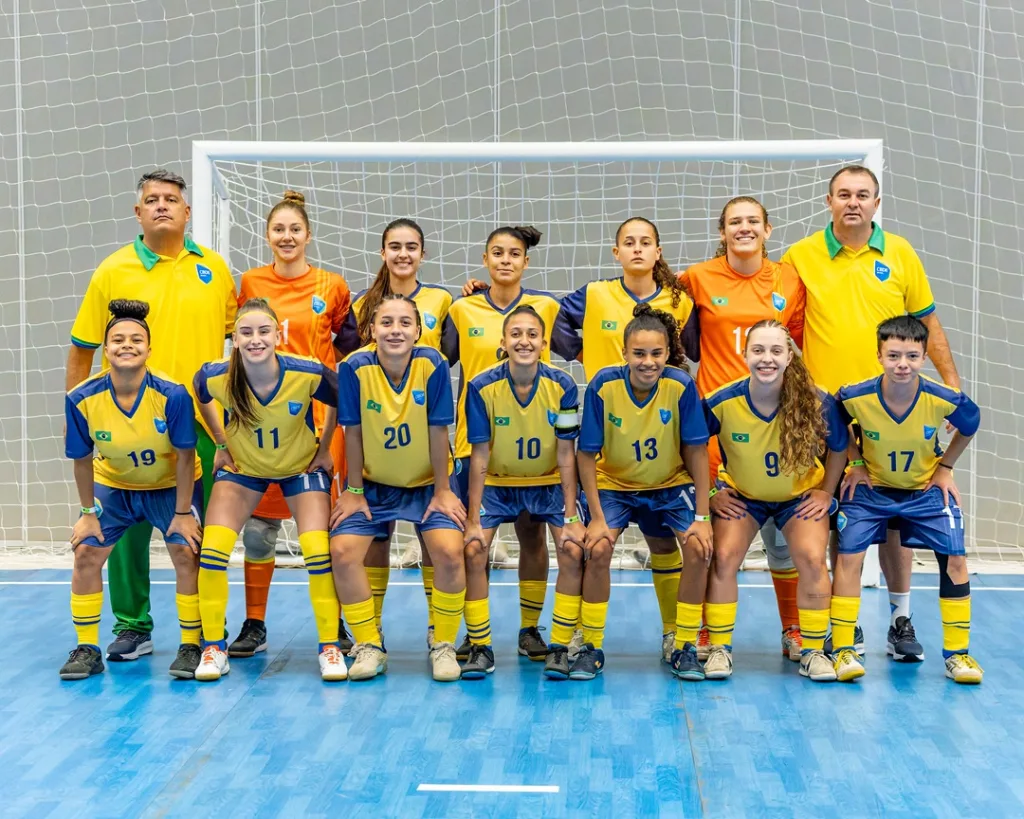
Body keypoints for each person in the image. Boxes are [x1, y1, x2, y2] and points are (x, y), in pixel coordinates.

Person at [782, 165, 960, 660]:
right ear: (828, 201)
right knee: (847, 513)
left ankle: (900, 618)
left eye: (863, 194)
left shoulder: (900, 252)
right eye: (844, 194)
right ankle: (849, 620)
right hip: (830, 412)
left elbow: (927, 322)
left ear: (876, 203)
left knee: (897, 520)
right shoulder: (801, 255)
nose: (853, 202)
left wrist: (951, 384)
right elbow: (784, 324)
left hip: (894, 410)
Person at [66, 169, 236, 662]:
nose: (162, 206)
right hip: (123, 422)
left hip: (199, 426)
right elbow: (82, 348)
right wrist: (75, 412)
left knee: (195, 533)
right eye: (151, 200)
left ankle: (204, 628)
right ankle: (133, 626)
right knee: (122, 534)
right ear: (137, 212)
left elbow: (239, 341)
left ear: (187, 211)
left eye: (171, 199)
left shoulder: (215, 269)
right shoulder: (112, 270)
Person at [554, 217, 696, 663]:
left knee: (666, 544)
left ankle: (678, 635)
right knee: (588, 546)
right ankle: (582, 638)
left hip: (659, 443)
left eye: (646, 242)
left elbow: (692, 352)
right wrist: (580, 354)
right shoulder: (595, 294)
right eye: (628, 243)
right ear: (616, 252)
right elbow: (551, 317)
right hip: (609, 432)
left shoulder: (680, 302)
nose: (637, 249)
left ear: (658, 251)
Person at [680, 196, 809, 662]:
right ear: (721, 232)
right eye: (735, 222)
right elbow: (651, 302)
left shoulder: (790, 280)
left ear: (768, 230)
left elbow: (798, 346)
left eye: (753, 221)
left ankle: (795, 630)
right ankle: (701, 631)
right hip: (719, 428)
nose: (744, 228)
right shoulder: (696, 277)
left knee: (784, 546)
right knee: (714, 543)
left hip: (775, 426)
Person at [228, 191, 353, 659]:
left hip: (317, 427)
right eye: (278, 229)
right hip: (260, 421)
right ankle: (255, 623)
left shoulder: (332, 285)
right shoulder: (249, 282)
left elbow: (345, 348)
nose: (286, 237)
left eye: (295, 229)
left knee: (321, 529)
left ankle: (335, 622)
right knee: (260, 528)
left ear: (308, 235)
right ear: (267, 235)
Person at [192, 298, 343, 682]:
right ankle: (213, 647)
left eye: (263, 332)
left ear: (279, 335)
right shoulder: (215, 375)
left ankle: (329, 646)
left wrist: (325, 448)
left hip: (298, 470)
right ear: (235, 339)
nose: (255, 340)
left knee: (317, 550)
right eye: (246, 332)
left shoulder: (307, 372)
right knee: (212, 551)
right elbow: (201, 396)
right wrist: (222, 443)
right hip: (245, 471)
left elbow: (344, 401)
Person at [833, 316, 982, 684]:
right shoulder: (856, 395)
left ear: (924, 358)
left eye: (913, 356)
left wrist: (945, 467)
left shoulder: (941, 396)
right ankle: (842, 648)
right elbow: (833, 420)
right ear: (879, 355)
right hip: (871, 491)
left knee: (956, 560)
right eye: (894, 355)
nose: (903, 364)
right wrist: (854, 461)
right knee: (848, 556)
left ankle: (957, 655)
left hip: (924, 490)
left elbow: (971, 422)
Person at [61, 300, 205, 680]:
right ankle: (87, 648)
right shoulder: (81, 398)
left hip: (170, 486)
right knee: (86, 553)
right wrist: (88, 514)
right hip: (115, 488)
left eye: (137, 339)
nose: (128, 345)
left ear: (149, 349)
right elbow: (81, 460)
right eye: (118, 339)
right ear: (105, 349)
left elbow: (186, 457)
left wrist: (182, 512)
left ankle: (192, 643)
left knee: (185, 550)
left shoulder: (171, 394)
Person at [445, 225, 569, 663]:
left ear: (526, 262)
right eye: (496, 252)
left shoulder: (548, 308)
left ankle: (530, 629)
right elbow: (442, 366)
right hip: (473, 445)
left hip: (535, 446)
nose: (505, 260)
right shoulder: (462, 308)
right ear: (484, 258)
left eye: (514, 253)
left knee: (533, 537)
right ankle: (473, 634)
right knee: (470, 541)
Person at [329, 295, 468, 682]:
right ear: (371, 331)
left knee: (450, 551)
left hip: (427, 483)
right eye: (386, 322)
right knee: (342, 552)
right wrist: (354, 490)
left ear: (418, 330)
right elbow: (352, 433)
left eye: (405, 322)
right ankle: (369, 643)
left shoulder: (432, 363)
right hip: (373, 485)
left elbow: (438, 430)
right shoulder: (354, 367)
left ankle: (443, 643)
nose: (395, 330)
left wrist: (443, 489)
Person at [702, 320, 847, 683]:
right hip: (744, 499)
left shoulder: (815, 399)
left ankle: (813, 651)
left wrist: (826, 491)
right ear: (745, 354)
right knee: (723, 557)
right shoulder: (722, 401)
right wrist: (710, 493)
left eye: (776, 351)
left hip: (797, 500)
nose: (767, 359)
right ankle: (720, 647)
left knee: (813, 558)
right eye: (759, 351)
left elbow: (840, 449)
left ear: (789, 357)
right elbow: (688, 447)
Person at [576, 304, 712, 681]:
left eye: (656, 353)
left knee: (699, 548)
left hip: (669, 484)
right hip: (615, 486)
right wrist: (598, 518)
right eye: (639, 353)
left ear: (668, 353)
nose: (648, 362)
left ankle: (682, 642)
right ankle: (590, 644)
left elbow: (697, 451)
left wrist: (702, 517)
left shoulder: (681, 385)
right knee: (598, 547)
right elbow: (586, 455)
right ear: (624, 353)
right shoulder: (604, 385)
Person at [336, 218, 454, 645]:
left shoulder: (443, 303)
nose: (403, 253)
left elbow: (453, 356)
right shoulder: (362, 317)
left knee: (439, 546)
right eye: (395, 246)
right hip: (376, 451)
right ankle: (372, 633)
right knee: (372, 541)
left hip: (424, 446)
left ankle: (437, 633)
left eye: (412, 246)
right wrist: (352, 485)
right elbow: (351, 420)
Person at [462, 305, 585, 679]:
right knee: (473, 548)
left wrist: (571, 513)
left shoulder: (562, 385)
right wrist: (470, 520)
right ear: (502, 342)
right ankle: (480, 644)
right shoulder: (481, 387)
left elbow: (567, 453)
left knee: (570, 548)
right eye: (515, 334)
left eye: (532, 334)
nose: (524, 341)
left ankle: (552, 642)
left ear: (544, 343)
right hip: (497, 484)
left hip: (547, 482)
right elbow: (479, 454)